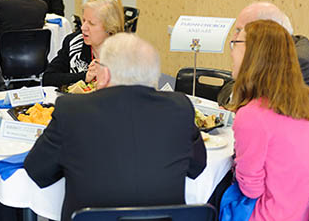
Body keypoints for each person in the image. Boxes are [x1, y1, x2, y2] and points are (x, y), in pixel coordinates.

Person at [25, 33, 207, 221]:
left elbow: (37, 170)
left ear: (105, 75)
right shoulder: (180, 107)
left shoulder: (72, 110)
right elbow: (197, 167)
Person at [227, 20, 309, 221]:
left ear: (255, 54)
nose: (231, 51)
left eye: (236, 42)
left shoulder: (253, 114)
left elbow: (251, 188)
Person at [217, 2, 309, 106]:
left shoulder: (297, 61)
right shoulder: (278, 51)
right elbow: (232, 87)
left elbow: (273, 112)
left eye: (240, 31)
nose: (234, 39)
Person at [42, 0, 124, 87]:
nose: (83, 28)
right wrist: (84, 76)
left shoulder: (124, 51)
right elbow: (48, 77)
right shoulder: (74, 42)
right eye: (84, 21)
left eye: (91, 23)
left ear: (109, 28)